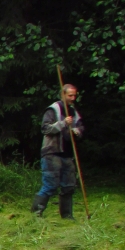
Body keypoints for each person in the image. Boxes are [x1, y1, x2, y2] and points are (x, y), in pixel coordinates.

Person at [32, 84, 84, 219]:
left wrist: (76, 131)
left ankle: (67, 216)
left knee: (69, 186)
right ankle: (36, 214)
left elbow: (80, 127)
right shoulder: (53, 109)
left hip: (67, 154)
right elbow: (45, 129)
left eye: (74, 95)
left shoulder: (73, 112)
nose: (73, 98)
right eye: (70, 95)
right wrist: (62, 123)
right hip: (52, 153)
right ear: (63, 95)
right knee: (50, 185)